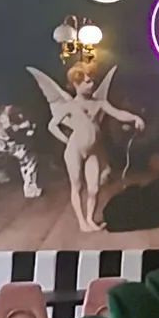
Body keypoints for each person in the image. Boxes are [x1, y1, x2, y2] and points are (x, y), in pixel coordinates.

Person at [27, 63, 144, 232]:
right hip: (74, 151)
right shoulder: (70, 105)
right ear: (76, 84)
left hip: (92, 151)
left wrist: (134, 117)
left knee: (94, 188)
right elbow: (52, 125)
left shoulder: (99, 103)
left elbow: (118, 113)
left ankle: (90, 219)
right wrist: (66, 140)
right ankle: (82, 222)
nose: (92, 84)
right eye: (87, 82)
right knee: (77, 186)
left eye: (92, 81)